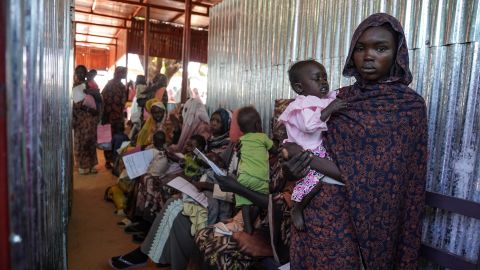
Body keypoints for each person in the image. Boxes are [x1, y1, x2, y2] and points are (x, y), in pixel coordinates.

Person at [284, 13, 428, 269]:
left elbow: (388, 176)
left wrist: (310, 160)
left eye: (380, 48)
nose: (368, 56)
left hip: (362, 224)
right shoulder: (337, 98)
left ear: (397, 53)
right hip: (314, 216)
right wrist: (289, 167)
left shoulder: (408, 107)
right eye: (360, 48)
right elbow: (299, 141)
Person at [277, 60, 347, 231]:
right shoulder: (301, 105)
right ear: (299, 88)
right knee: (313, 183)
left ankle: (298, 206)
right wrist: (329, 110)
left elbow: (334, 97)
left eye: (325, 77)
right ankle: (297, 207)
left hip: (315, 149)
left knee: (321, 181)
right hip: (302, 150)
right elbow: (308, 125)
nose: (323, 82)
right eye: (317, 79)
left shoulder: (320, 100)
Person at [235, 106, 275, 234]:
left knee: (245, 202)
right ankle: (253, 222)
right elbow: (275, 150)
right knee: (259, 199)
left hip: (244, 178)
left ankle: (248, 226)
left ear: (241, 129)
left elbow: (240, 157)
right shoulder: (263, 137)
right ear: (258, 124)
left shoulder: (240, 141)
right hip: (260, 178)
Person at [72, 65, 100, 175]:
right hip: (80, 119)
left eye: (82, 72)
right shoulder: (74, 86)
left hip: (91, 119)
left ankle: (92, 165)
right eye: (78, 72)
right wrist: (89, 109)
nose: (80, 74)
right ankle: (82, 166)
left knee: (91, 142)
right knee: (81, 142)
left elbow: (98, 98)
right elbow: (76, 104)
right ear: (75, 73)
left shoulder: (90, 84)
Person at [102, 66, 128, 169]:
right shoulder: (121, 87)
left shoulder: (109, 84)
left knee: (109, 139)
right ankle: (115, 160)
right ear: (119, 73)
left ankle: (108, 161)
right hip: (116, 118)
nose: (125, 75)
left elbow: (102, 98)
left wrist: (104, 116)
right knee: (117, 139)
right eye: (124, 73)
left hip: (108, 117)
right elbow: (122, 103)